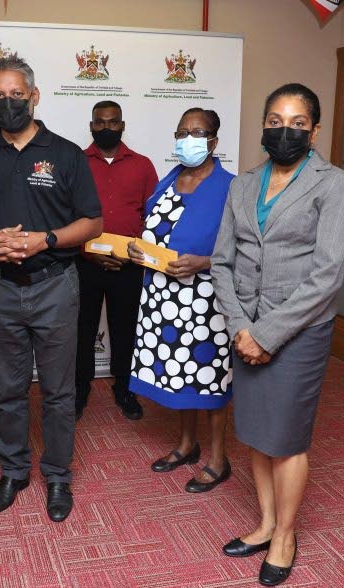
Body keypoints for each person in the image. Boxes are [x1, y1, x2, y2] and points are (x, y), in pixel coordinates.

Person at [211, 84, 344, 587]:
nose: (284, 130)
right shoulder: (243, 184)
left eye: (297, 122)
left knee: (287, 440)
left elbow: (327, 274)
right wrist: (240, 327)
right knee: (254, 432)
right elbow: (221, 262)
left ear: (313, 131)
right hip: (245, 328)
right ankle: (266, 523)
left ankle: (286, 535)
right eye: (275, 120)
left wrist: (267, 334)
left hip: (297, 332)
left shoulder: (333, 184)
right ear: (263, 125)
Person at [0, 56, 103, 522]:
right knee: (8, 389)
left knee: (59, 392)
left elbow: (94, 223)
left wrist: (47, 239)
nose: (8, 103)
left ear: (35, 96)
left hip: (55, 285)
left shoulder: (65, 154)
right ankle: (14, 471)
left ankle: (58, 474)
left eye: (16, 94)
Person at [127, 108, 234, 494]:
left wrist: (204, 261)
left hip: (207, 300)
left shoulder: (230, 187)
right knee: (179, 373)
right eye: (182, 132)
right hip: (162, 297)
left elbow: (247, 248)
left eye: (198, 132)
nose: (188, 138)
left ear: (214, 141)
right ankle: (188, 445)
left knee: (210, 377)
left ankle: (218, 459)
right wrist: (141, 250)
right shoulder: (168, 180)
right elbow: (154, 231)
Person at [75, 100, 158, 421]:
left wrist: (129, 253)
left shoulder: (142, 165)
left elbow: (153, 218)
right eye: (100, 122)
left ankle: (125, 389)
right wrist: (90, 253)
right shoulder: (76, 163)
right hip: (84, 264)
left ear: (122, 125)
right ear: (91, 125)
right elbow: (67, 215)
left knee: (126, 332)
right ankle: (79, 390)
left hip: (129, 266)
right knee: (82, 332)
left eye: (112, 122)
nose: (106, 127)